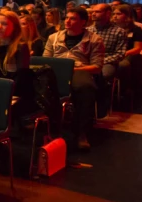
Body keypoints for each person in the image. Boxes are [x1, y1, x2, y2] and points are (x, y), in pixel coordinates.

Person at [44, 8, 104, 150]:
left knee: (85, 88)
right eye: (67, 18)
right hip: (56, 70)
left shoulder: (94, 39)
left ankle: (81, 132)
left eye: (73, 19)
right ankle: (45, 128)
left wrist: (74, 69)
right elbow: (45, 60)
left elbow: (97, 67)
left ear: (83, 22)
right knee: (37, 84)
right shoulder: (54, 37)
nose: (68, 21)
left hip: (80, 69)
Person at [89, 3, 126, 114]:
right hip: (88, 62)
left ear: (108, 13)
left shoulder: (119, 31)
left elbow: (120, 54)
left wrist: (100, 62)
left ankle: (101, 107)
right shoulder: (87, 30)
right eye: (92, 12)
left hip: (107, 62)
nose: (93, 14)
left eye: (97, 12)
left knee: (103, 75)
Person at [113, 4, 142, 98]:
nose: (115, 16)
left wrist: (124, 53)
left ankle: (125, 90)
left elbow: (137, 48)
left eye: (118, 14)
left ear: (127, 15)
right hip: (113, 53)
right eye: (114, 14)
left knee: (123, 65)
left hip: (130, 53)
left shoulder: (136, 29)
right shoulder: (111, 28)